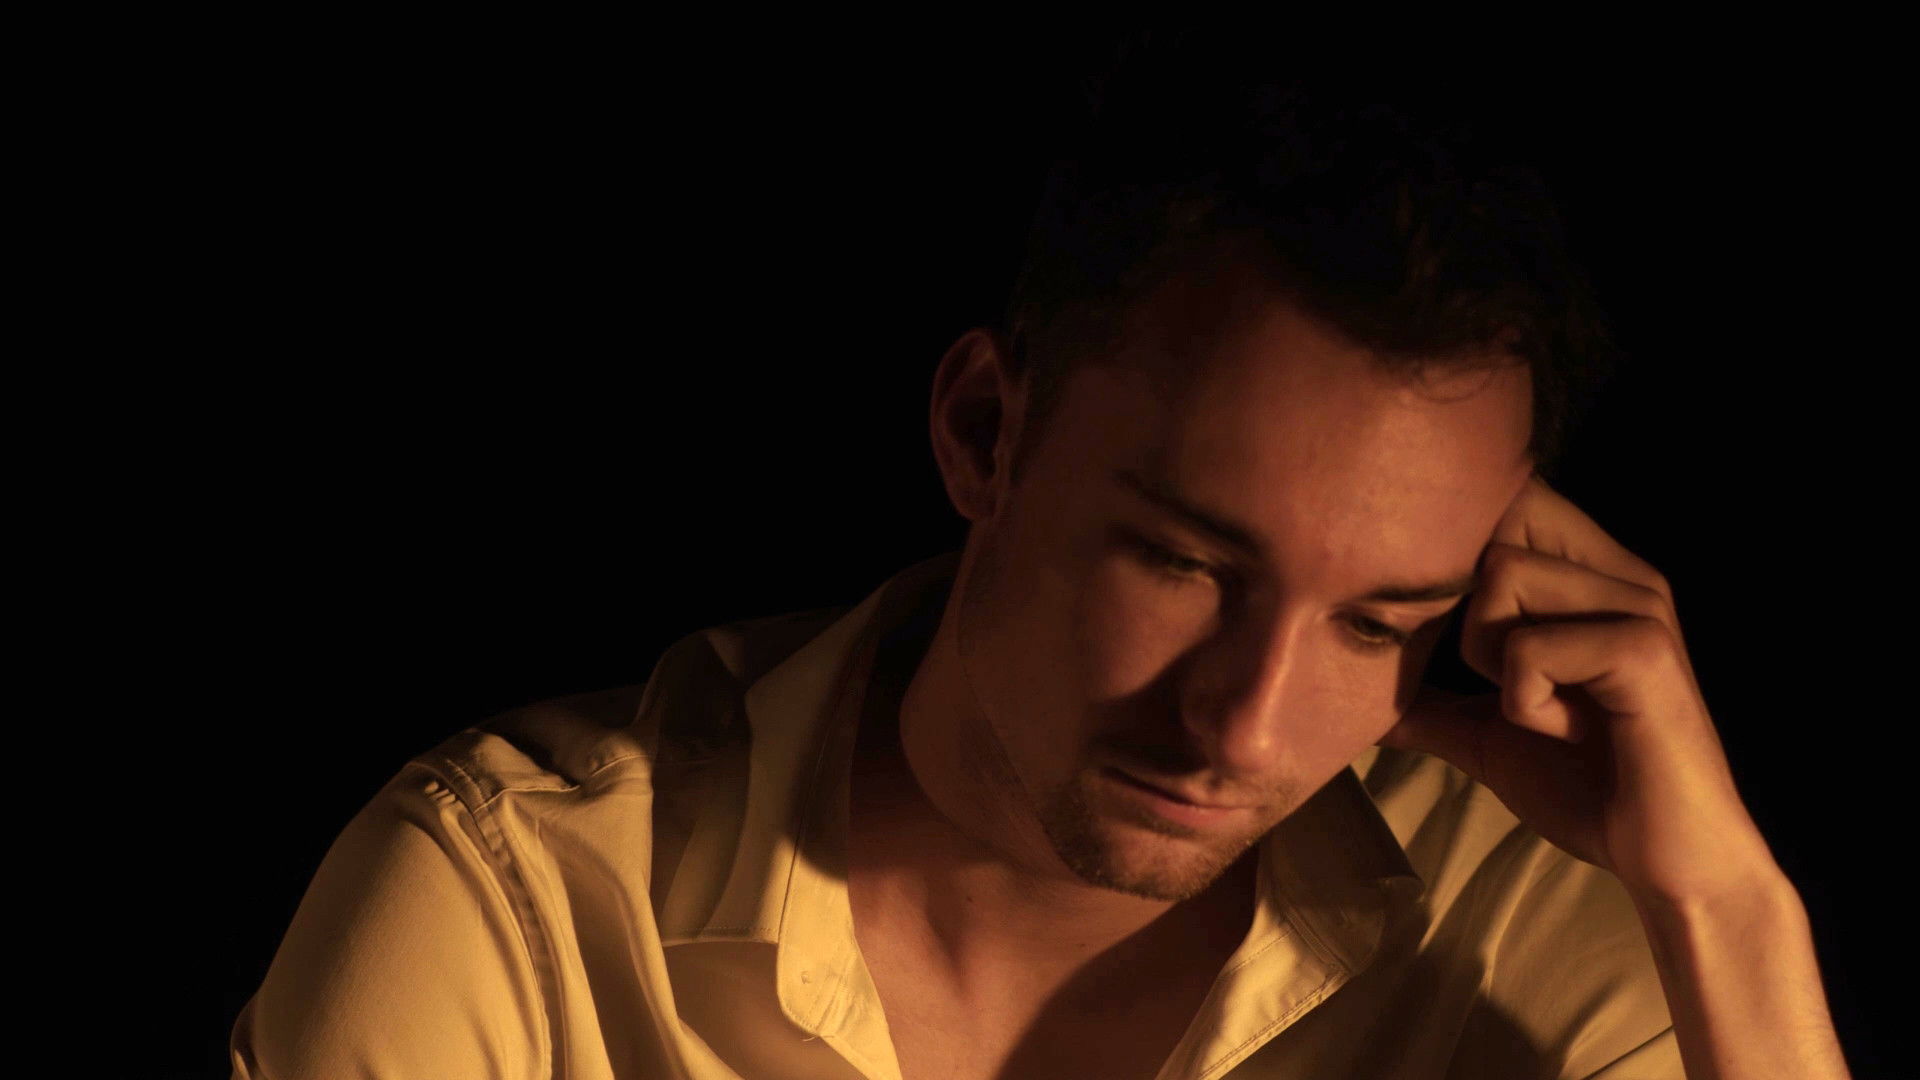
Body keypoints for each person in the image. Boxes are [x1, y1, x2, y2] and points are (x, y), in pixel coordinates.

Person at [228, 33, 1852, 1080]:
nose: (1244, 728)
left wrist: (1733, 908)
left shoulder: (1548, 931)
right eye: (1186, 565)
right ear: (982, 431)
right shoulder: (513, 907)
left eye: (1379, 623)